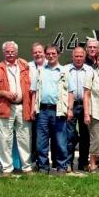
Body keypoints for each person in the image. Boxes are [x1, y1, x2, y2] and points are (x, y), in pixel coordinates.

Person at [0, 41, 33, 176]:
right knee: (5, 138)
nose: (10, 54)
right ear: (4, 53)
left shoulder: (25, 66)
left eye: (12, 51)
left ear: (17, 52)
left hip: (23, 106)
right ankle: (7, 169)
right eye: (7, 52)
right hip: (6, 107)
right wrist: (5, 93)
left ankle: (26, 167)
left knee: (25, 137)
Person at [31, 45, 75, 175]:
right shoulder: (40, 71)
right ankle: (43, 167)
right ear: (45, 55)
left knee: (61, 141)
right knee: (41, 142)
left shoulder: (64, 71)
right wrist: (33, 108)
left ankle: (61, 166)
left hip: (59, 111)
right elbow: (34, 92)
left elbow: (71, 92)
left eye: (53, 53)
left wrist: (70, 109)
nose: (51, 56)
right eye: (48, 54)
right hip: (43, 111)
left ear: (58, 54)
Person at [66, 47, 93, 172]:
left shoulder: (90, 70)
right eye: (76, 56)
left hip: (85, 106)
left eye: (81, 56)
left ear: (84, 56)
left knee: (85, 136)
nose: (78, 58)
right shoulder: (66, 69)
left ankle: (83, 163)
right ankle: (68, 163)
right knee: (70, 135)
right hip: (70, 105)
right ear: (72, 56)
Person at [28, 42, 46, 164]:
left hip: (46, 104)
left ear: (44, 53)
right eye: (35, 52)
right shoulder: (27, 67)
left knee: (47, 135)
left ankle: (51, 160)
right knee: (34, 134)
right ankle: (34, 159)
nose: (38, 54)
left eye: (40, 51)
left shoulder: (50, 66)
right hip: (31, 104)